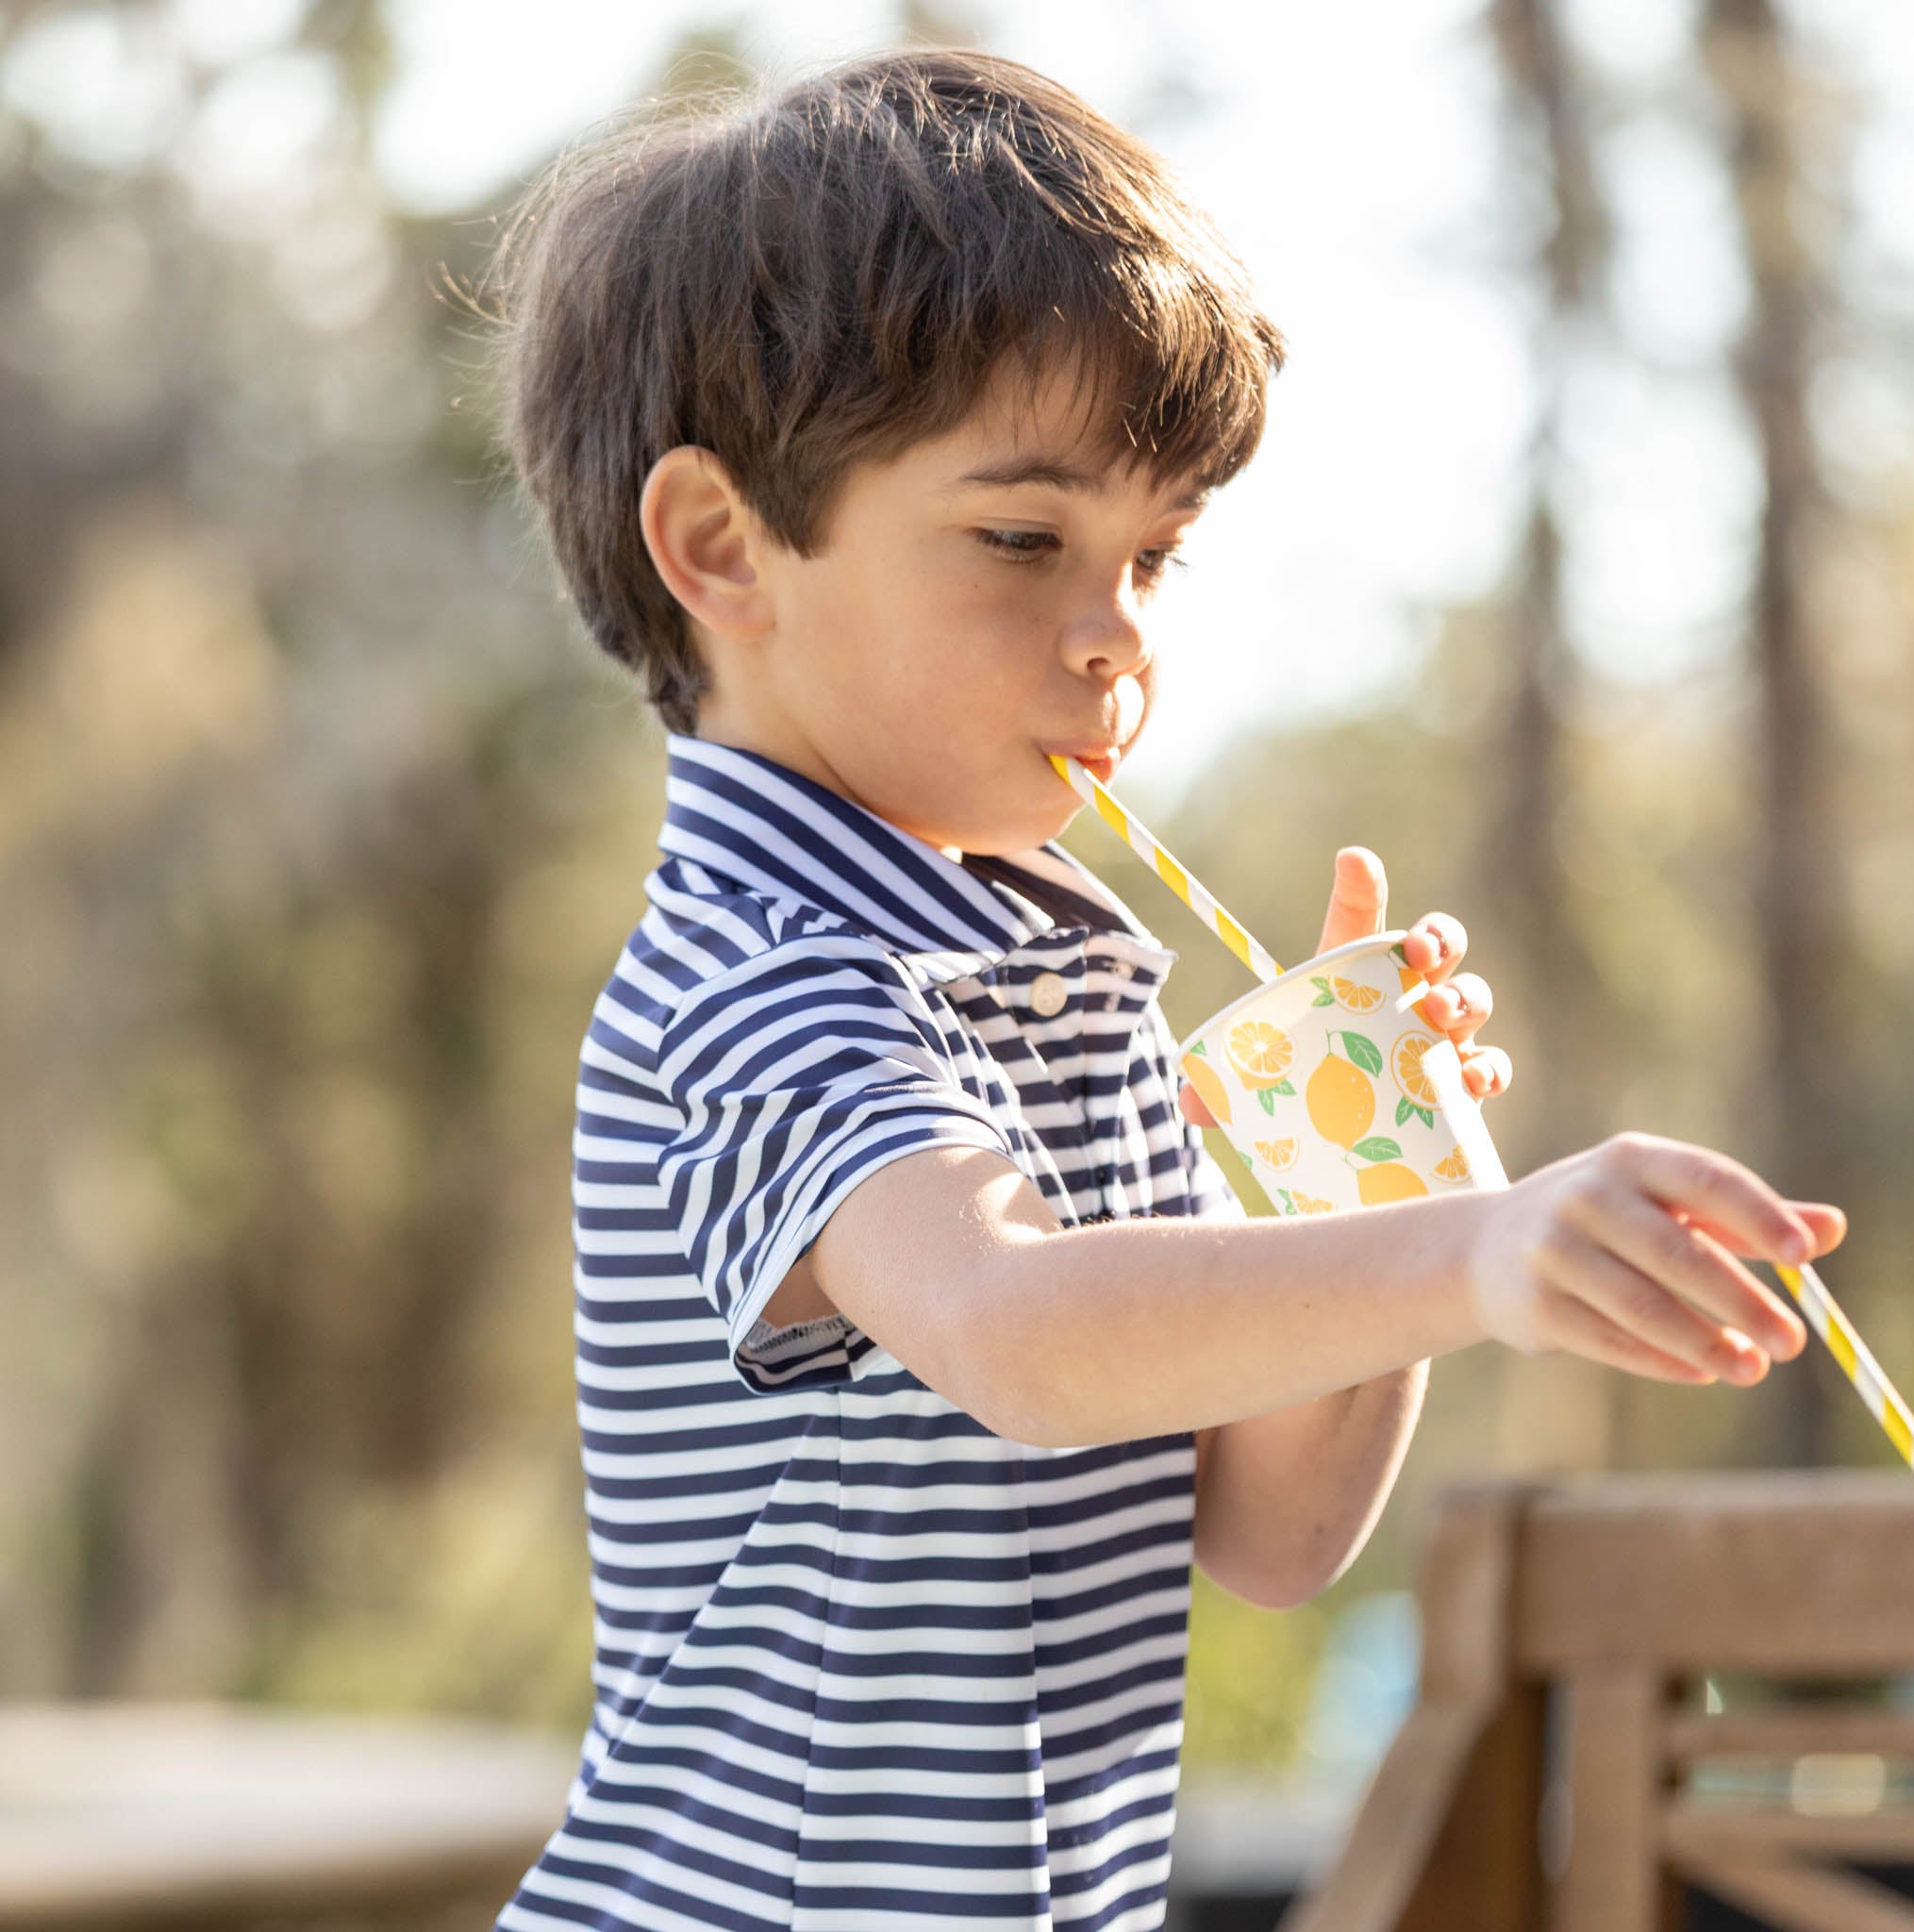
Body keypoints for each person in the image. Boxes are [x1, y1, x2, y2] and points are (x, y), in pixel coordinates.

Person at [482, 46, 1845, 1932]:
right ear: (724, 548)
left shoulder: (1068, 991)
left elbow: (1270, 1539)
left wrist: (1385, 1189)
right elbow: (1024, 1333)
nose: (1114, 634)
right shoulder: (755, 973)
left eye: (1158, 556)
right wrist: (1480, 1252)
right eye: (1024, 539)